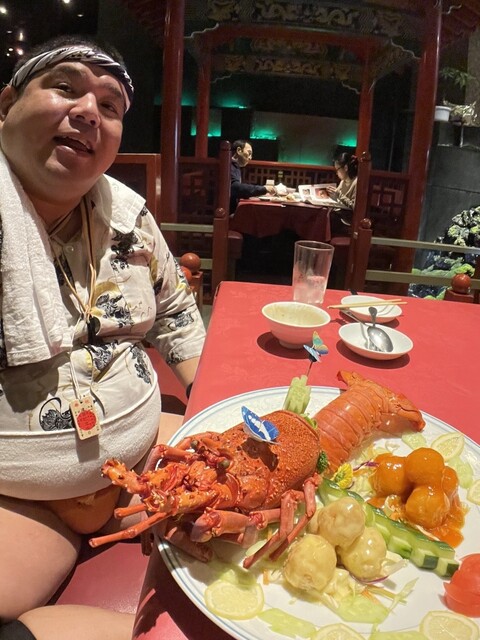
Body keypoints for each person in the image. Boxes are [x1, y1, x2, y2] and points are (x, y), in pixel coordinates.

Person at [0, 35, 205, 639]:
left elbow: (175, 312)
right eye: (65, 87)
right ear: (7, 103)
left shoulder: (129, 215)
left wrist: (209, 398)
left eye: (110, 105)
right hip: (22, 502)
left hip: (144, 459)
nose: (89, 111)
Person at [229, 139, 276, 213]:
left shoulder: (234, 166)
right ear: (239, 150)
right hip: (227, 212)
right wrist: (264, 189)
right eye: (249, 153)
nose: (250, 158)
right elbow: (235, 187)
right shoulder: (229, 166)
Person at [323, 152, 358, 235]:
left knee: (329, 218)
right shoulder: (343, 181)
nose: (336, 173)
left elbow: (354, 206)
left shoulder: (356, 182)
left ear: (345, 168)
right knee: (324, 214)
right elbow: (337, 198)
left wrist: (338, 194)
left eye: (337, 169)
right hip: (339, 214)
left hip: (347, 219)